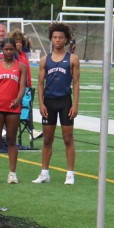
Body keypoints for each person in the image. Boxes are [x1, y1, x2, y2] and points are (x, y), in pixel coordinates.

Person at [34, 22, 80, 184]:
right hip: (49, 103)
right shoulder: (44, 60)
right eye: (55, 37)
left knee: (68, 138)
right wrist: (41, 103)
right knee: (47, 140)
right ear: (51, 39)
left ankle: (70, 174)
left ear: (66, 39)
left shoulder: (72, 59)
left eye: (61, 37)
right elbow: (40, 83)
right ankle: (44, 173)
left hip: (65, 102)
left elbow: (76, 83)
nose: (58, 40)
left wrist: (75, 104)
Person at [0, 38, 27, 184]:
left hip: (13, 109)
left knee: (11, 139)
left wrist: (18, 99)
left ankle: (12, 173)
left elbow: (22, 86)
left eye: (11, 49)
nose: (9, 52)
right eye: (6, 49)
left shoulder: (21, 66)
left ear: (15, 50)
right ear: (1, 50)